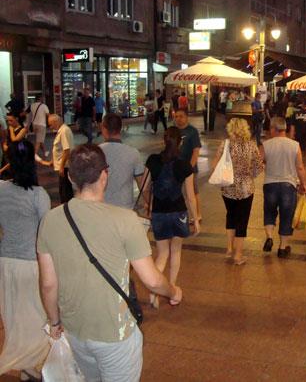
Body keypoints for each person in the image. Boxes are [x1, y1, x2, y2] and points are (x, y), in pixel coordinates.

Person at [37, 144, 183, 382]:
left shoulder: (50, 220)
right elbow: (152, 281)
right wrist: (174, 292)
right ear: (104, 175)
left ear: (70, 177)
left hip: (75, 331)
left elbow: (48, 284)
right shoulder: (126, 220)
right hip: (116, 334)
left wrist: (54, 322)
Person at [0, 140, 50, 381]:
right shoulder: (38, 195)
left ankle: (25, 367)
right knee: (37, 316)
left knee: (14, 317)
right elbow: (47, 234)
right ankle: (31, 365)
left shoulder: (1, 189)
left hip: (6, 262)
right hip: (32, 264)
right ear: (32, 162)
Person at [143, 127, 199, 309]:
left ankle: (154, 292)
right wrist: (196, 219)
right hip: (178, 213)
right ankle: (172, 291)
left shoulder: (152, 161)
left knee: (162, 254)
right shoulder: (184, 165)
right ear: (180, 143)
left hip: (159, 212)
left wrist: (150, 204)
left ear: (164, 141)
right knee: (175, 252)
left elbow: (144, 187)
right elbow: (190, 196)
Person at [211, 118, 263, 265]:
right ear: (245, 129)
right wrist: (249, 176)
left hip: (228, 188)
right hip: (246, 189)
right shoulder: (251, 145)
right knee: (242, 220)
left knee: (231, 216)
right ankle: (238, 255)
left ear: (231, 129)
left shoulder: (225, 144)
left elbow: (214, 164)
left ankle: (229, 248)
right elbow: (258, 167)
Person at [260, 117, 306, 258]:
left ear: (274, 129)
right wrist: (303, 184)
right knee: (287, 215)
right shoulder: (295, 145)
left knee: (269, 212)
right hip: (288, 185)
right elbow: (300, 167)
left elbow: (258, 163)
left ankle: (269, 237)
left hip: (270, 184)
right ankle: (282, 247)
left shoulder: (266, 144)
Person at [99, 113, 144, 209]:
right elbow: (142, 184)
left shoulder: (96, 153)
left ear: (104, 129)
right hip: (125, 207)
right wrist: (149, 203)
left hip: (102, 207)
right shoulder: (133, 153)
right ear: (120, 128)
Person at [174, 109, 202, 221]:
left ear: (186, 117)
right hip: (176, 168)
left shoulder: (192, 131)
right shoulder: (174, 131)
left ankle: (197, 215)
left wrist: (190, 167)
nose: (178, 119)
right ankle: (180, 214)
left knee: (192, 192)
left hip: (189, 168)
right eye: (176, 116)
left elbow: (196, 151)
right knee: (177, 192)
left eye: (181, 116)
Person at [45, 114, 74, 203]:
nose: (50, 127)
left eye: (51, 124)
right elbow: (61, 149)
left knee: (65, 191)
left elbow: (66, 150)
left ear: (56, 122)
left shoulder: (64, 131)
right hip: (64, 165)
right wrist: (53, 161)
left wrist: (61, 167)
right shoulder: (62, 130)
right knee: (64, 189)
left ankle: (66, 207)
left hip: (65, 166)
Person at [0, 113, 28, 177]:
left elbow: (15, 141)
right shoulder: (10, 129)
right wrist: (4, 144)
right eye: (7, 121)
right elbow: (7, 139)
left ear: (16, 119)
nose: (9, 123)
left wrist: (11, 130)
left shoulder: (23, 129)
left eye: (11, 120)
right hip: (8, 153)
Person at [28, 94, 49, 158]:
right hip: (41, 125)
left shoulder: (32, 105)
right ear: (40, 98)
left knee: (40, 139)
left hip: (34, 125)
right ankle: (34, 156)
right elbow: (48, 115)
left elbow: (26, 113)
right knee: (38, 141)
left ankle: (45, 152)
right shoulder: (44, 106)